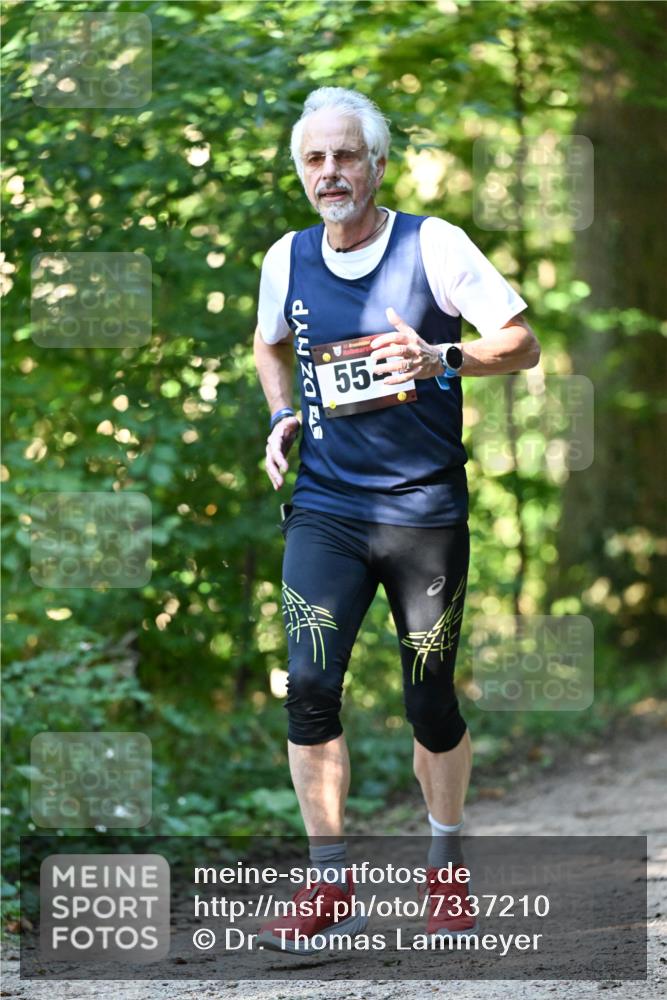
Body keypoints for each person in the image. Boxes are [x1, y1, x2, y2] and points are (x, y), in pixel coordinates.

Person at [253, 87, 540, 953]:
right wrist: (280, 414)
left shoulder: (434, 244)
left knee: (429, 700)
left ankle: (446, 865)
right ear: (301, 171)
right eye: (315, 159)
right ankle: (329, 881)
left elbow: (521, 342)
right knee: (308, 688)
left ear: (377, 164)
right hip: (328, 509)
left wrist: (441, 353)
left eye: (346, 156)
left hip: (423, 513)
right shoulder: (286, 258)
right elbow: (270, 342)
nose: (330, 173)